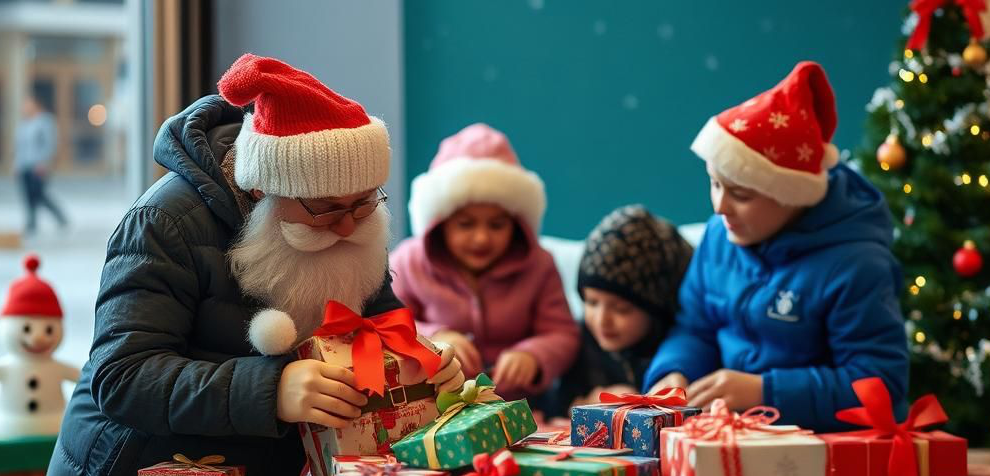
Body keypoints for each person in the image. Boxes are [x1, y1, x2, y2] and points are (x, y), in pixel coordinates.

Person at [41, 54, 462, 476]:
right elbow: (123, 377)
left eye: (364, 202)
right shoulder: (165, 223)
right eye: (325, 208)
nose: (346, 226)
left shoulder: (355, 225)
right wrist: (270, 390)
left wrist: (423, 363)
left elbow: (378, 326)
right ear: (262, 188)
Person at [644, 61, 909, 432]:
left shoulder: (857, 264)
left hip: (816, 449)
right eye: (715, 184)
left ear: (790, 194)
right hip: (729, 437)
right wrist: (675, 372)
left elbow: (879, 388)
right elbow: (694, 328)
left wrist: (765, 391)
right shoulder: (719, 237)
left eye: (740, 194)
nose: (719, 207)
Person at [389, 123, 579, 401]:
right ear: (440, 223)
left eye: (497, 225)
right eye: (466, 224)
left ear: (516, 223)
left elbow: (563, 333)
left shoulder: (540, 264)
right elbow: (386, 325)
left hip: (517, 406)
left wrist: (533, 355)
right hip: (433, 404)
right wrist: (436, 338)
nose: (481, 238)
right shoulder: (408, 262)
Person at [555, 205, 692, 414]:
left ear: (656, 310)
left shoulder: (680, 352)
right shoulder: (580, 342)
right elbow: (555, 403)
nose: (601, 320)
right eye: (591, 302)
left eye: (621, 309)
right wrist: (584, 404)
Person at [14, 95, 67, 234]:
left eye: (28, 104)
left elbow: (50, 144)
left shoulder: (45, 121)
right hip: (24, 165)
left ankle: (60, 216)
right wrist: (17, 165)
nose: (25, 108)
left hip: (38, 166)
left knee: (39, 195)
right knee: (28, 196)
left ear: (36, 105)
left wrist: (44, 163)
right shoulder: (24, 123)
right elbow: (20, 147)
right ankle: (31, 223)